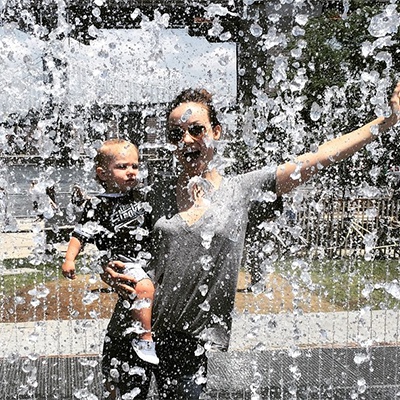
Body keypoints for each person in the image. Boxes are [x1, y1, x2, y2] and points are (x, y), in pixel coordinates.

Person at [101, 83, 400, 399]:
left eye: (196, 130)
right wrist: (107, 268)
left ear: (216, 132)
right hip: (131, 331)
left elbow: (320, 156)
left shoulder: (241, 190)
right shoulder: (151, 195)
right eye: (176, 135)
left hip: (188, 341)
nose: (186, 140)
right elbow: (110, 238)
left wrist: (389, 121)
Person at [61, 139, 159, 369]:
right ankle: (145, 338)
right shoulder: (97, 205)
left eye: (135, 166)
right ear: (103, 173)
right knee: (144, 288)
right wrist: (69, 259)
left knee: (143, 289)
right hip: (123, 260)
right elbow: (80, 235)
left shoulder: (142, 196)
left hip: (143, 259)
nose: (131, 172)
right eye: (122, 167)